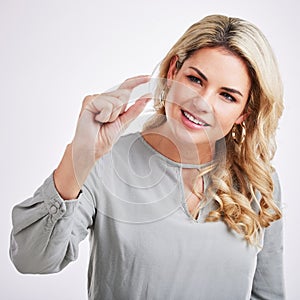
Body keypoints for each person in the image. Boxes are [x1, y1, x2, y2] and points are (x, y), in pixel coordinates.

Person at [9, 14, 285, 299]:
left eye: (227, 96)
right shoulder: (104, 162)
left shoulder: (259, 181)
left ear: (244, 114)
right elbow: (32, 260)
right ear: (174, 70)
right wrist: (80, 155)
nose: (202, 103)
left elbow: (268, 294)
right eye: (195, 79)